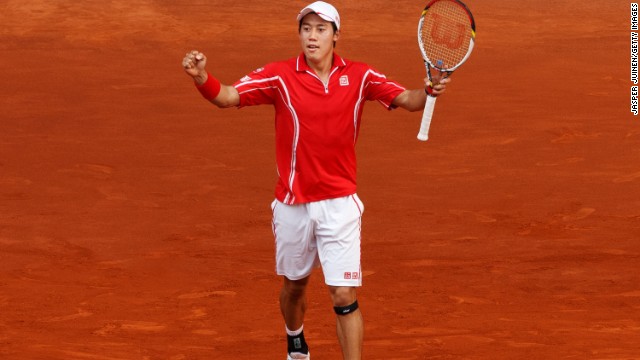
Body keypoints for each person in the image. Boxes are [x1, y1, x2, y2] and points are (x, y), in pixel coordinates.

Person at [182, 2, 450, 359]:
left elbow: (408, 99)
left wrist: (429, 89)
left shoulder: (361, 76)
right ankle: (295, 339)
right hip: (293, 205)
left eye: (321, 29)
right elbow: (228, 96)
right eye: (306, 29)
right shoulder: (279, 76)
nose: (312, 36)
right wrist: (203, 78)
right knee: (294, 286)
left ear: (336, 36)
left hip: (340, 204)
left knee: (344, 295)